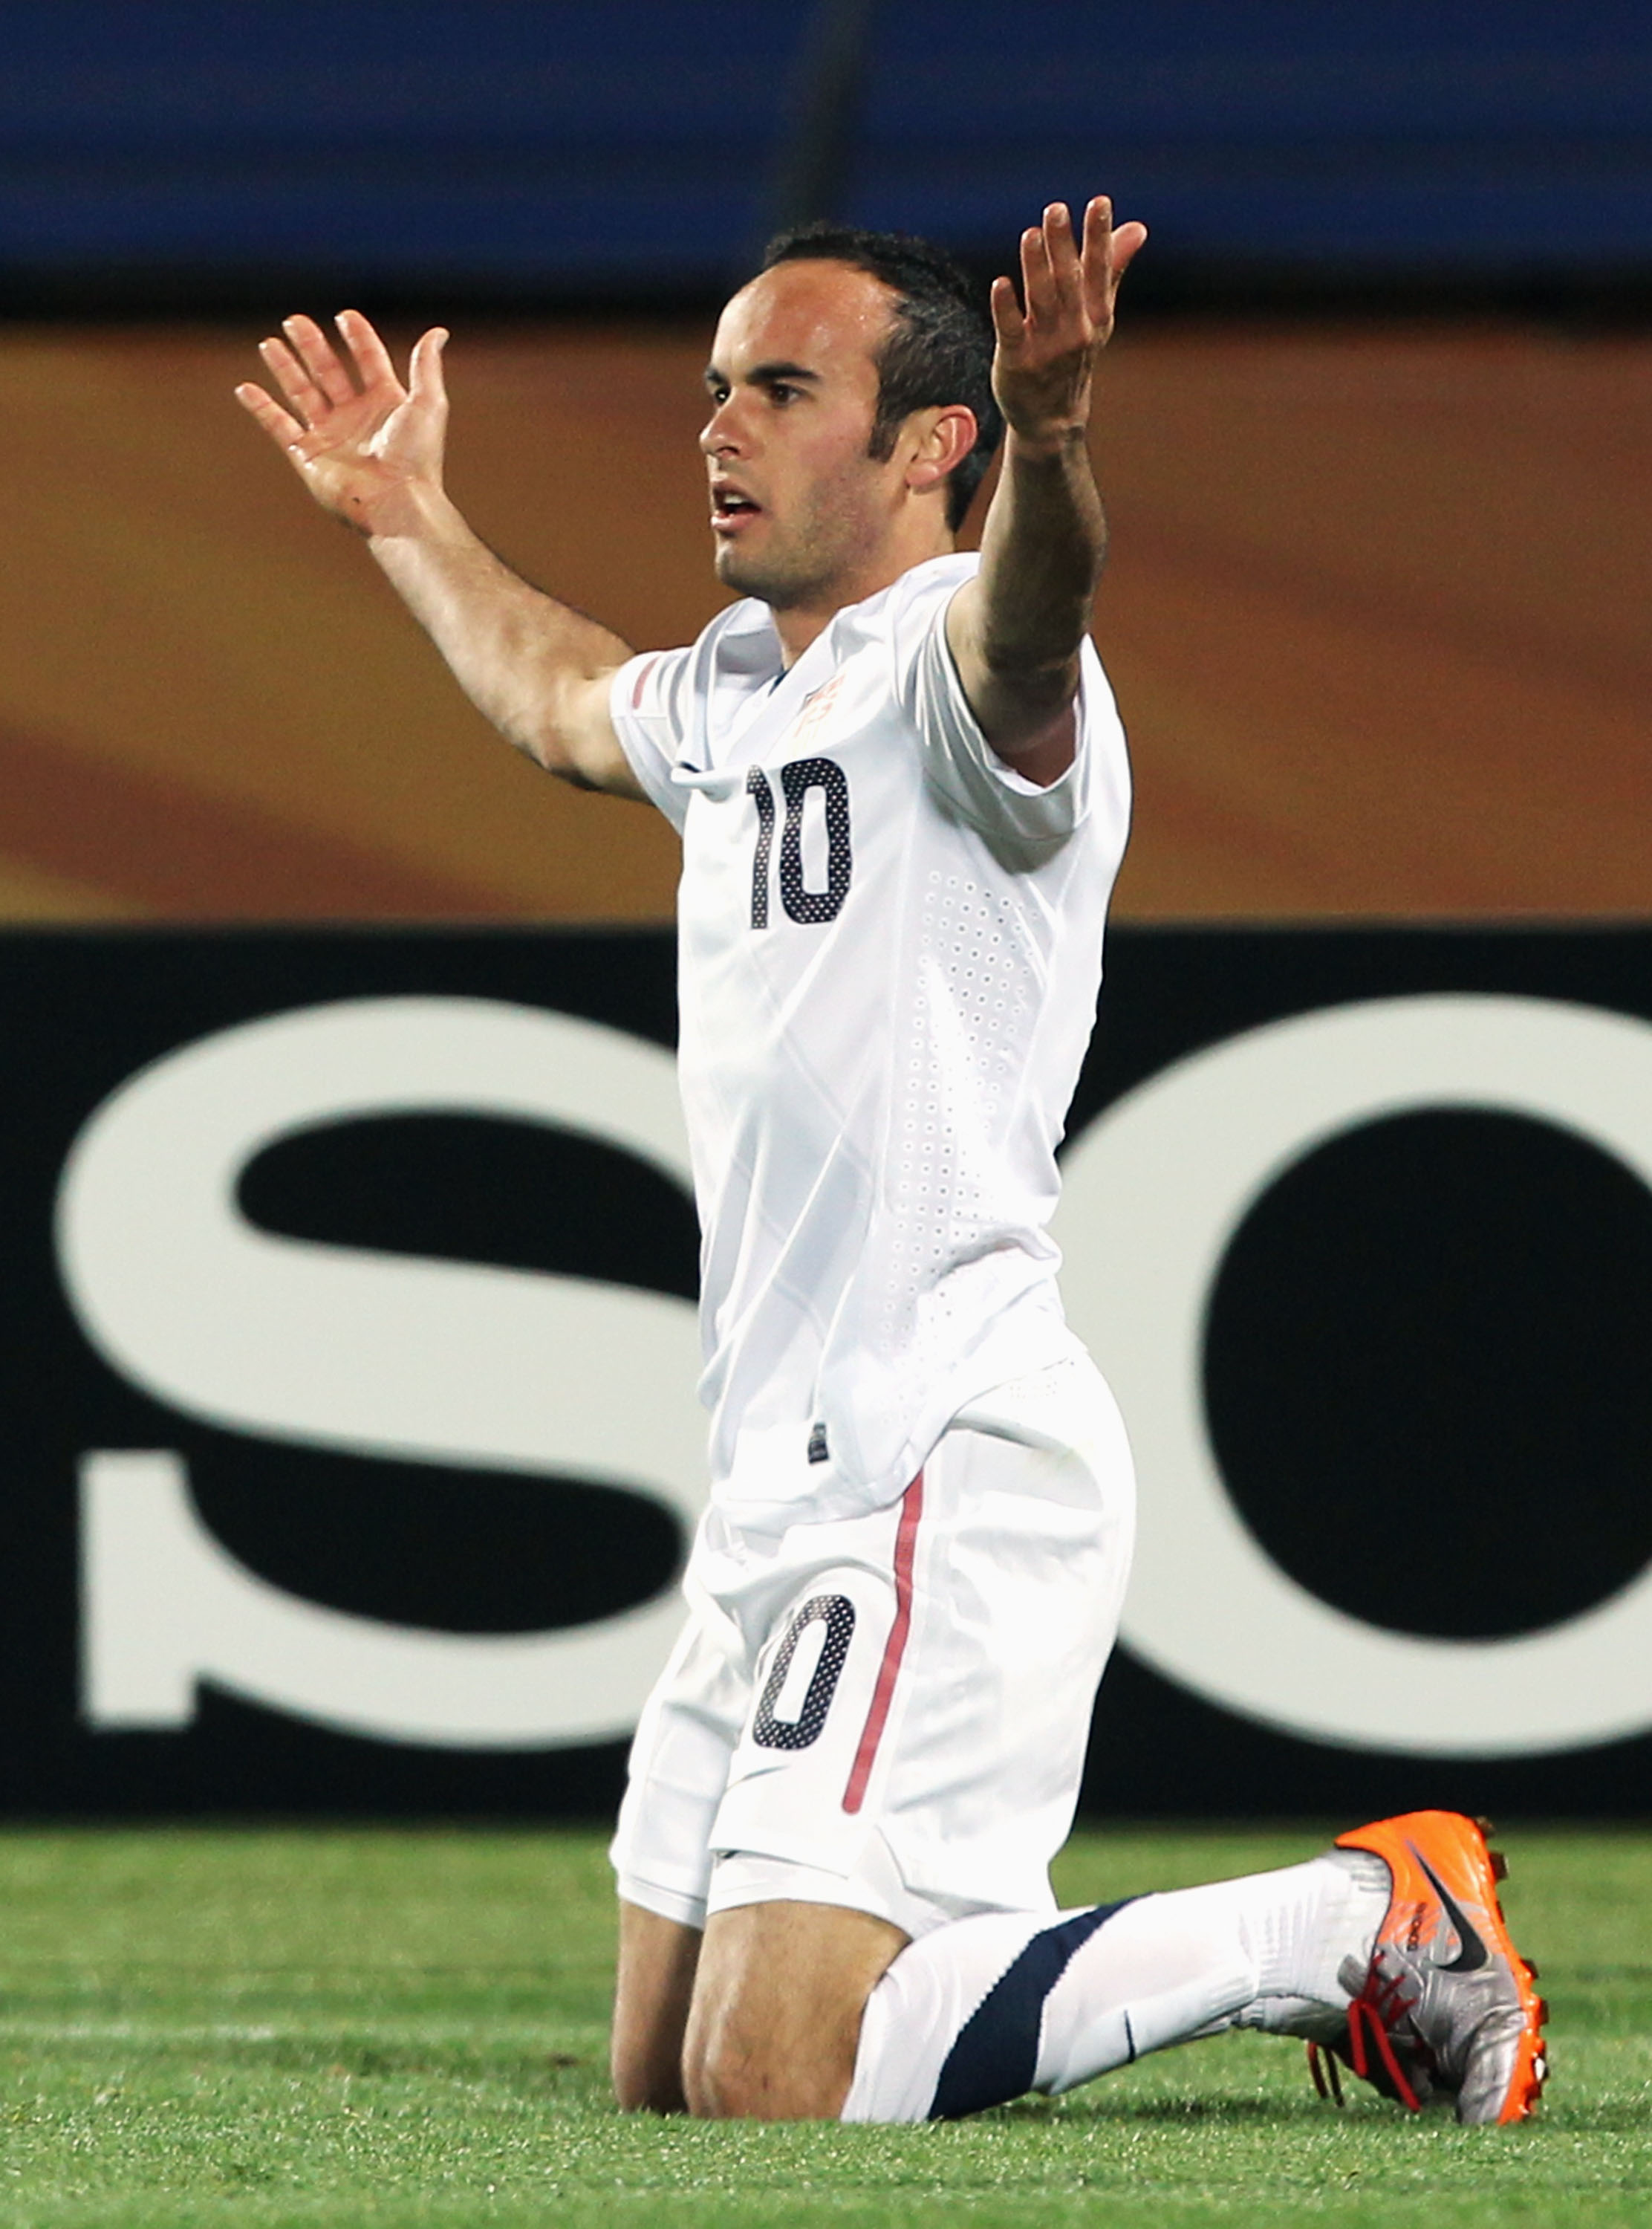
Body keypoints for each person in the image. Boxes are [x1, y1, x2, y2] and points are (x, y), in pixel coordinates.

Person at [236, 200, 1547, 2126]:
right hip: (774, 1485)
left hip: (941, 1449)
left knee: (778, 2076)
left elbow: (1037, 623)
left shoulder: (964, 671)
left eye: (781, 387)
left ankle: (1357, 1922)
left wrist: (1064, 441)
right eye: (713, 387)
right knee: (665, 2084)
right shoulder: (746, 693)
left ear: (935, 440)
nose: (720, 427)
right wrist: (402, 516)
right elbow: (553, 696)